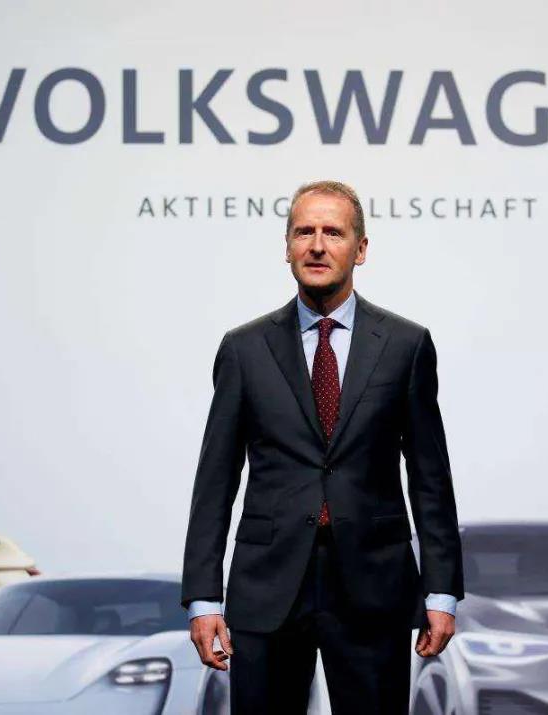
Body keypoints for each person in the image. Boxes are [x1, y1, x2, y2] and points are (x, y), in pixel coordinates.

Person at [180, 180, 463, 714]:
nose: (316, 245)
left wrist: (442, 591)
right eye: (303, 232)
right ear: (287, 247)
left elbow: (431, 479)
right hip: (268, 584)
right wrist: (202, 596)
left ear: (360, 249)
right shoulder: (244, 349)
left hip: (373, 583)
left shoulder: (405, 345)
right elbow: (214, 482)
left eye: (333, 232)